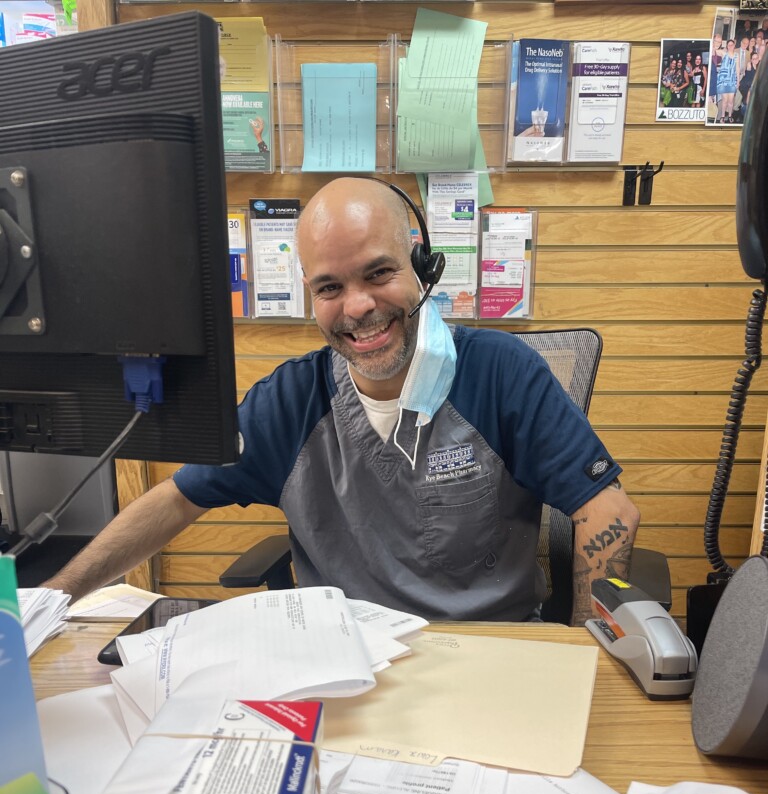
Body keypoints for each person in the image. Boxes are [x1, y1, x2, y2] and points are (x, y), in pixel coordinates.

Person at [43, 178, 639, 626]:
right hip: (350, 666)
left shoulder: (501, 374)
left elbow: (606, 509)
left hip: (490, 656)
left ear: (421, 266)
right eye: (330, 287)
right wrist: (50, 601)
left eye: (378, 274)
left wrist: (587, 650)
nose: (356, 307)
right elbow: (173, 502)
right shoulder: (290, 400)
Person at [717, 38, 739, 122]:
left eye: (732, 45)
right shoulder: (724, 53)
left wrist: (738, 81)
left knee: (731, 100)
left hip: (732, 80)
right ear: (727, 46)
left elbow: (737, 68)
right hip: (723, 80)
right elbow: (715, 49)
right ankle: (722, 116)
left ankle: (730, 116)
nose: (730, 46)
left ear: (734, 46)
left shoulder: (737, 55)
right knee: (725, 100)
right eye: (728, 45)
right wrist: (718, 44)